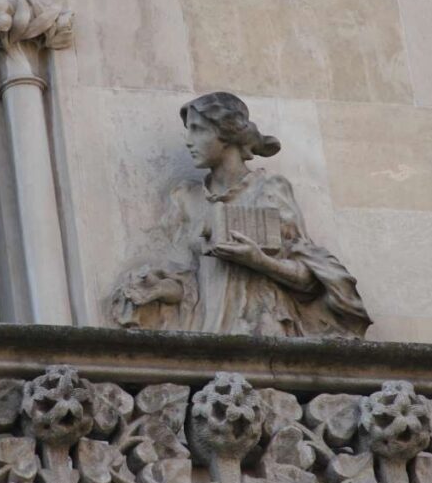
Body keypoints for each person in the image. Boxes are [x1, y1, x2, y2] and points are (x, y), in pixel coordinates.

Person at [111, 92, 371, 338]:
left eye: (198, 129)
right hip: (206, 332)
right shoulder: (187, 199)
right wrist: (158, 289)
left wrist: (260, 261)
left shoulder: (268, 190)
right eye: (187, 130)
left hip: (262, 328)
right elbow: (192, 283)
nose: (188, 140)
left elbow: (308, 280)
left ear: (228, 133)